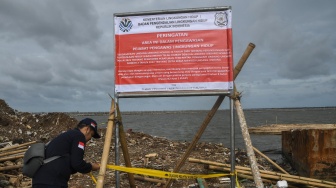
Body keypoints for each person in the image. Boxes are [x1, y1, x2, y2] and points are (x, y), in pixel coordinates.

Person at [32, 118, 101, 188]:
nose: (90, 139)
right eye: (91, 135)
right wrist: (91, 166)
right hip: (52, 182)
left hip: (39, 180)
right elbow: (77, 164)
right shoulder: (79, 136)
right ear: (87, 129)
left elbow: (71, 165)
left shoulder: (67, 136)